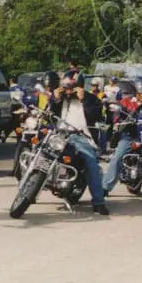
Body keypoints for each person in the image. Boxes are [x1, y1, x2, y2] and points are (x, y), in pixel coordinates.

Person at [50, 70, 110, 214]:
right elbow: (51, 116)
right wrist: (55, 100)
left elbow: (95, 116)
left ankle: (99, 202)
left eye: (71, 87)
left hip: (82, 138)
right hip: (60, 135)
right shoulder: (61, 98)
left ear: (79, 86)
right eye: (65, 87)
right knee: (38, 149)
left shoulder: (92, 99)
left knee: (91, 164)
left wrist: (84, 100)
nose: (68, 90)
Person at [102, 85, 142, 196]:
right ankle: (105, 187)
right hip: (131, 136)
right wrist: (118, 119)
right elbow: (117, 115)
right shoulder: (127, 102)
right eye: (140, 92)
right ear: (135, 92)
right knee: (117, 158)